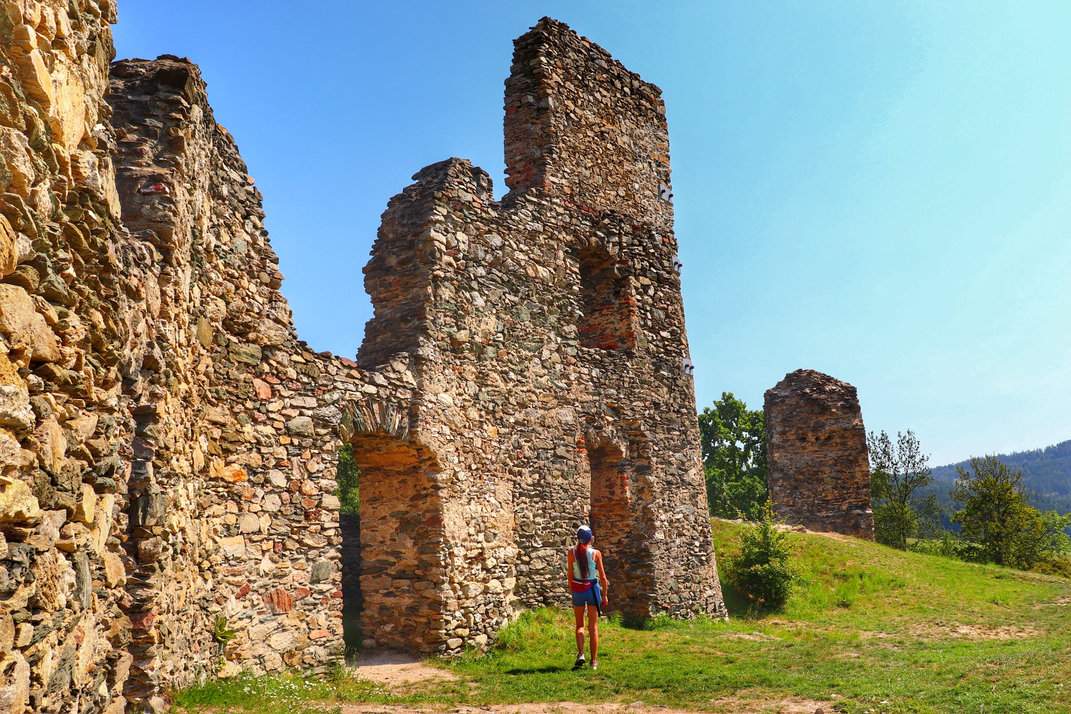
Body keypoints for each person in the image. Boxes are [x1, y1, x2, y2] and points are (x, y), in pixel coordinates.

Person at [566, 525, 609, 670]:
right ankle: (594, 661)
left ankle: (581, 654)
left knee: (579, 626)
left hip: (578, 590)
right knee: (593, 627)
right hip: (592, 590)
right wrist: (604, 595)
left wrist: (573, 591)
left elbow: (570, 576)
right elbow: (602, 577)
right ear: (591, 538)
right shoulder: (596, 553)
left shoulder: (571, 553)